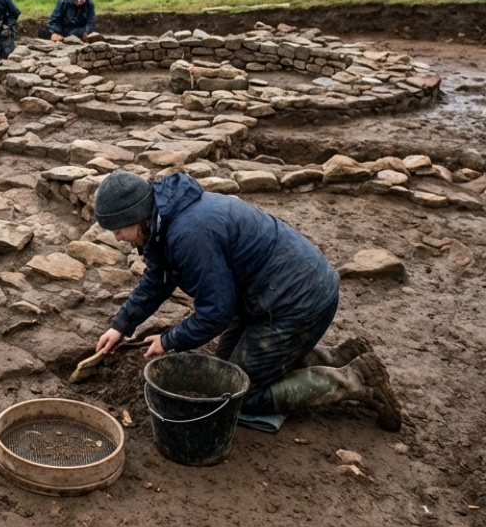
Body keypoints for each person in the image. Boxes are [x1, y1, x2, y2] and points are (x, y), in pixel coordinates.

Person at [91, 169, 402, 431]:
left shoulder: (188, 235)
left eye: (119, 229)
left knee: (236, 393)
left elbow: (216, 313)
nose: (117, 237)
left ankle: (357, 380)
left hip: (297, 300)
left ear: (137, 215)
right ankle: (338, 357)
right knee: (225, 365)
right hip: (272, 292)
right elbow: (157, 279)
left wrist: (169, 340)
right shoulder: (165, 219)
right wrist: (122, 325)